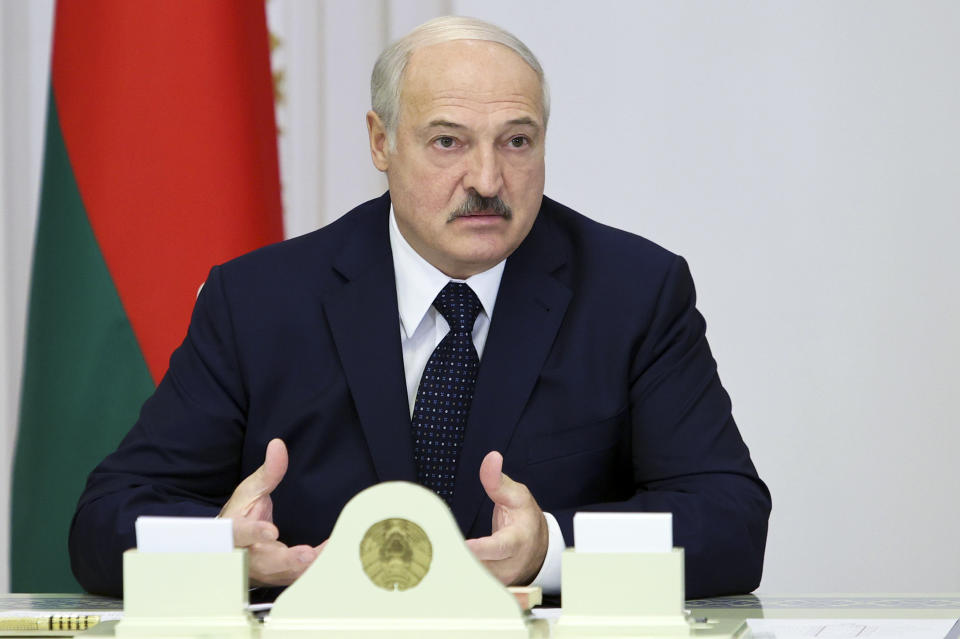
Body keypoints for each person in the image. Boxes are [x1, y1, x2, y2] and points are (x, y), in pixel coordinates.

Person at [70, 16, 770, 599]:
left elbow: (731, 523)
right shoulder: (259, 301)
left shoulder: (633, 293)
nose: (488, 180)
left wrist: (552, 546)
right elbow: (103, 521)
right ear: (381, 142)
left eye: (517, 142)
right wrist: (220, 552)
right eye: (448, 142)